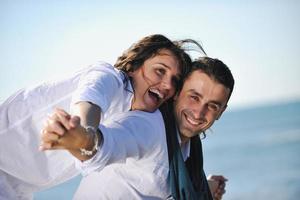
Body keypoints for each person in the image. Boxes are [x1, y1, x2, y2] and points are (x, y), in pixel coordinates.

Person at [0, 34, 192, 199]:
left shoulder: (138, 119)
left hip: (18, 189)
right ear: (133, 66)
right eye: (160, 71)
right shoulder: (110, 77)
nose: (167, 85)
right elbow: (89, 99)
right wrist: (84, 131)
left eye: (174, 80)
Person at [41, 56, 234, 199]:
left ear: (221, 112)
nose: (199, 112)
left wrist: (207, 186)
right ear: (177, 93)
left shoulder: (188, 150)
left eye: (212, 106)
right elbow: (105, 145)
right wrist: (79, 139)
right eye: (194, 97)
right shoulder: (149, 126)